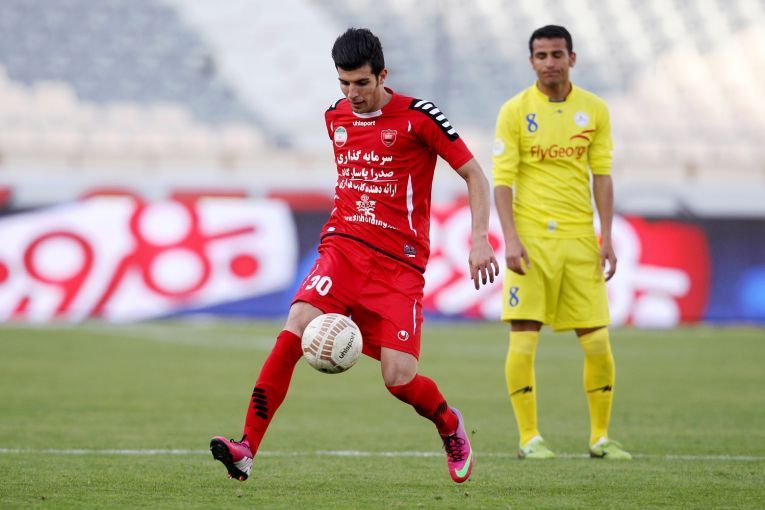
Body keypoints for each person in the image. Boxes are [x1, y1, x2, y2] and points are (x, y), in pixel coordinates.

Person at [211, 27, 499, 483]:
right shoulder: (336, 117)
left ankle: (449, 425)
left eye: (362, 83)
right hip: (343, 248)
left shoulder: (420, 117)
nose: (353, 94)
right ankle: (246, 447)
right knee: (296, 326)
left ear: (383, 75)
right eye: (344, 83)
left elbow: (475, 175)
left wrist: (480, 237)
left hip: (399, 265)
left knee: (400, 378)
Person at [492, 25, 631, 460]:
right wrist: (510, 239)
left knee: (597, 342)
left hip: (579, 240)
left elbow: (602, 175)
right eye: (541, 55)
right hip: (531, 242)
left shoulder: (595, 109)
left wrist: (606, 236)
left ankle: (600, 438)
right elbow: (502, 181)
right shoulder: (515, 111)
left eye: (557, 54)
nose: (549, 62)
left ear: (572, 58)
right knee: (523, 338)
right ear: (531, 61)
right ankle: (529, 438)